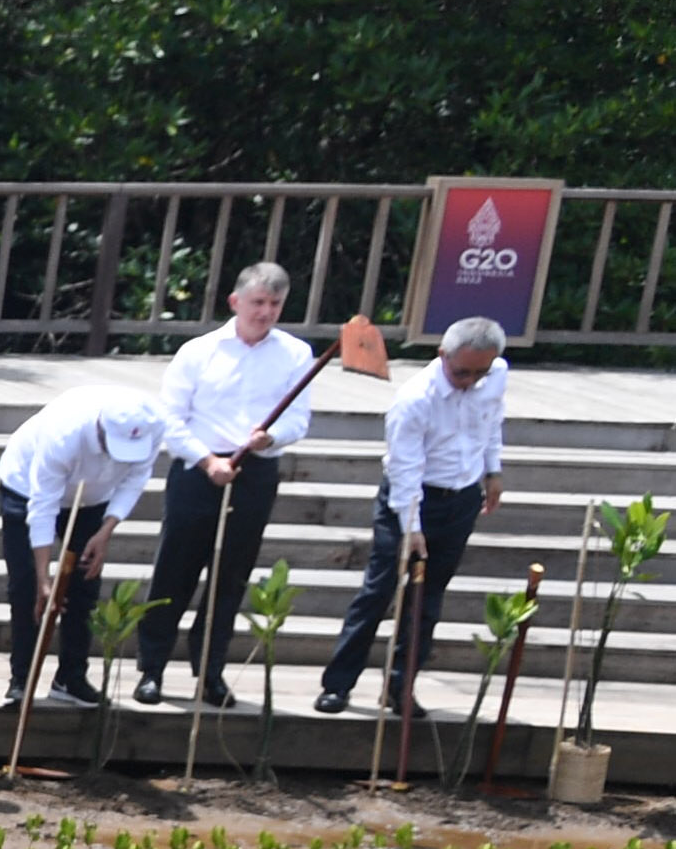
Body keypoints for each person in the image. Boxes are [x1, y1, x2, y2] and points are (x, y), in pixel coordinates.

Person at [139, 261, 318, 709]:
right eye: (258, 302)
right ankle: (152, 669)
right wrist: (207, 460)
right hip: (198, 469)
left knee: (230, 576)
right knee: (174, 570)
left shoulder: (295, 353)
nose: (265, 312)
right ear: (236, 301)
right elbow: (170, 418)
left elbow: (299, 418)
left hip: (255, 471)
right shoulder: (199, 351)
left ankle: (210, 671)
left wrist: (270, 437)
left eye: (275, 304)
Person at [316, 320, 511, 718]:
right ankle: (338, 684)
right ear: (443, 355)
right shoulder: (415, 398)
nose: (471, 381)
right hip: (409, 498)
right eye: (462, 372)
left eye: (480, 373)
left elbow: (491, 422)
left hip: (461, 497)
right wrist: (412, 526)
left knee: (429, 598)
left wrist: (493, 470)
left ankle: (401, 685)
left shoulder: (496, 376)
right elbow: (405, 466)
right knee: (379, 591)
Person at [0, 389, 165, 714]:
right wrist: (44, 577)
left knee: (84, 584)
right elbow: (42, 505)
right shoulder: (64, 433)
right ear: (101, 430)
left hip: (94, 500)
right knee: (28, 587)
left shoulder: (153, 423)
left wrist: (106, 530)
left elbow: (136, 478)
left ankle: (71, 677)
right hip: (27, 487)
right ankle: (22, 678)